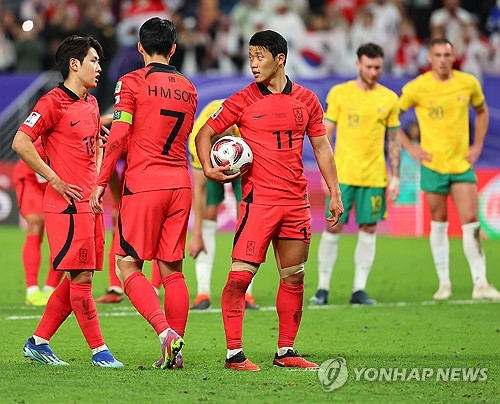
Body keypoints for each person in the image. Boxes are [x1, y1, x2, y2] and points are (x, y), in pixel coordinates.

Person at [195, 30, 344, 371]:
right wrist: (208, 167)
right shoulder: (242, 99)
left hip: (296, 203)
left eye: (259, 57)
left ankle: (286, 351)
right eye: (249, 58)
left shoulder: (307, 100)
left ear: (280, 59)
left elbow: (322, 147)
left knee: (294, 277)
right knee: (239, 278)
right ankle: (234, 354)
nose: (253, 64)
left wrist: (334, 193)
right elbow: (206, 133)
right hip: (257, 202)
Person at [90, 17, 197, 369]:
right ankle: (175, 355)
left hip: (144, 182)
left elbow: (119, 136)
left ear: (139, 48)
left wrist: (102, 181)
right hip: (180, 184)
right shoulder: (189, 87)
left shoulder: (131, 82)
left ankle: (165, 333)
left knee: (126, 265)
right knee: (173, 272)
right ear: (173, 49)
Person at [12, 35, 123, 367]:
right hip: (65, 206)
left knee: (78, 275)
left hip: (88, 205)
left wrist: (98, 141)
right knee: (83, 279)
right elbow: (20, 141)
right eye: (93, 61)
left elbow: (85, 148)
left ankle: (39, 341)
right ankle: (99, 351)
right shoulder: (51, 102)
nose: (99, 67)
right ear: (74, 65)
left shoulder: (89, 103)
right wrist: (55, 179)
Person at [399, 37, 500, 301]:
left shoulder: (468, 83)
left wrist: (477, 144)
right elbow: (391, 117)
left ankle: (481, 283)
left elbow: (482, 112)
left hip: (460, 164)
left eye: (447, 54)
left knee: (471, 222)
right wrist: (411, 148)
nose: (443, 59)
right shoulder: (417, 87)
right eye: (438, 55)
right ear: (430, 58)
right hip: (433, 165)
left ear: (454, 57)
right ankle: (444, 283)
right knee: (439, 224)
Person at [310, 43, 401, 306]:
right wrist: (327, 178)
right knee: (332, 226)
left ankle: (359, 289)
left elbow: (393, 141)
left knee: (369, 228)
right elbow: (325, 136)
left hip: (374, 176)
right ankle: (323, 288)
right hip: (344, 176)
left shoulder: (389, 98)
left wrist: (395, 176)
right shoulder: (340, 93)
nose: (373, 72)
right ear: (358, 64)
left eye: (378, 67)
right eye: (369, 66)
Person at [187, 99, 259, 311]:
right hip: (211, 166)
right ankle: (203, 293)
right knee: (209, 212)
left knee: (246, 216)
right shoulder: (197, 141)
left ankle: (246, 294)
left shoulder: (245, 127)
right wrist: (197, 232)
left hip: (244, 160)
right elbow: (198, 189)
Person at [13, 139, 63, 306]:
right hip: (31, 176)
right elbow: (24, 147)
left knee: (62, 231)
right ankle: (32, 290)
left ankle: (50, 289)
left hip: (58, 179)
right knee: (36, 222)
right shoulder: (51, 127)